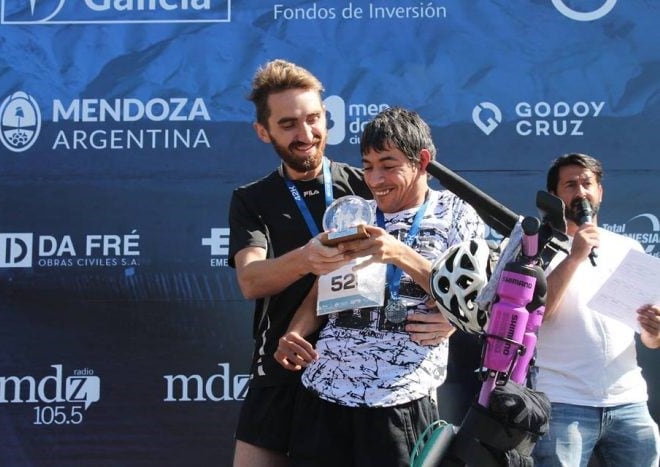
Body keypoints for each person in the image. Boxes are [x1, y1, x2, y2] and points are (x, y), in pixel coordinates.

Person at [274, 106, 485, 467]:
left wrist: (400, 254)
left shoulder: (457, 213)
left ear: (421, 161)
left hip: (399, 399)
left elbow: (474, 302)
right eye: (368, 165)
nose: (375, 178)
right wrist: (294, 333)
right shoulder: (353, 213)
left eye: (388, 165)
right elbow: (320, 290)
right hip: (323, 393)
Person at [227, 59, 373, 467]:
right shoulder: (252, 199)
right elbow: (251, 280)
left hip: (364, 365)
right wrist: (308, 258)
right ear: (264, 131)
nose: (305, 134)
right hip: (283, 364)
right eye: (288, 124)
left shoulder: (367, 185)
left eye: (313, 119)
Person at [532, 153, 660, 467]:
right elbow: (536, 316)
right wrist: (574, 257)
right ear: (555, 197)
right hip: (563, 402)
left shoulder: (628, 248)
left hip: (629, 401)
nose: (581, 192)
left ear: (599, 191)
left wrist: (654, 329)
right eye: (570, 184)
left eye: (587, 183)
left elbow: (649, 339)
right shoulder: (536, 248)